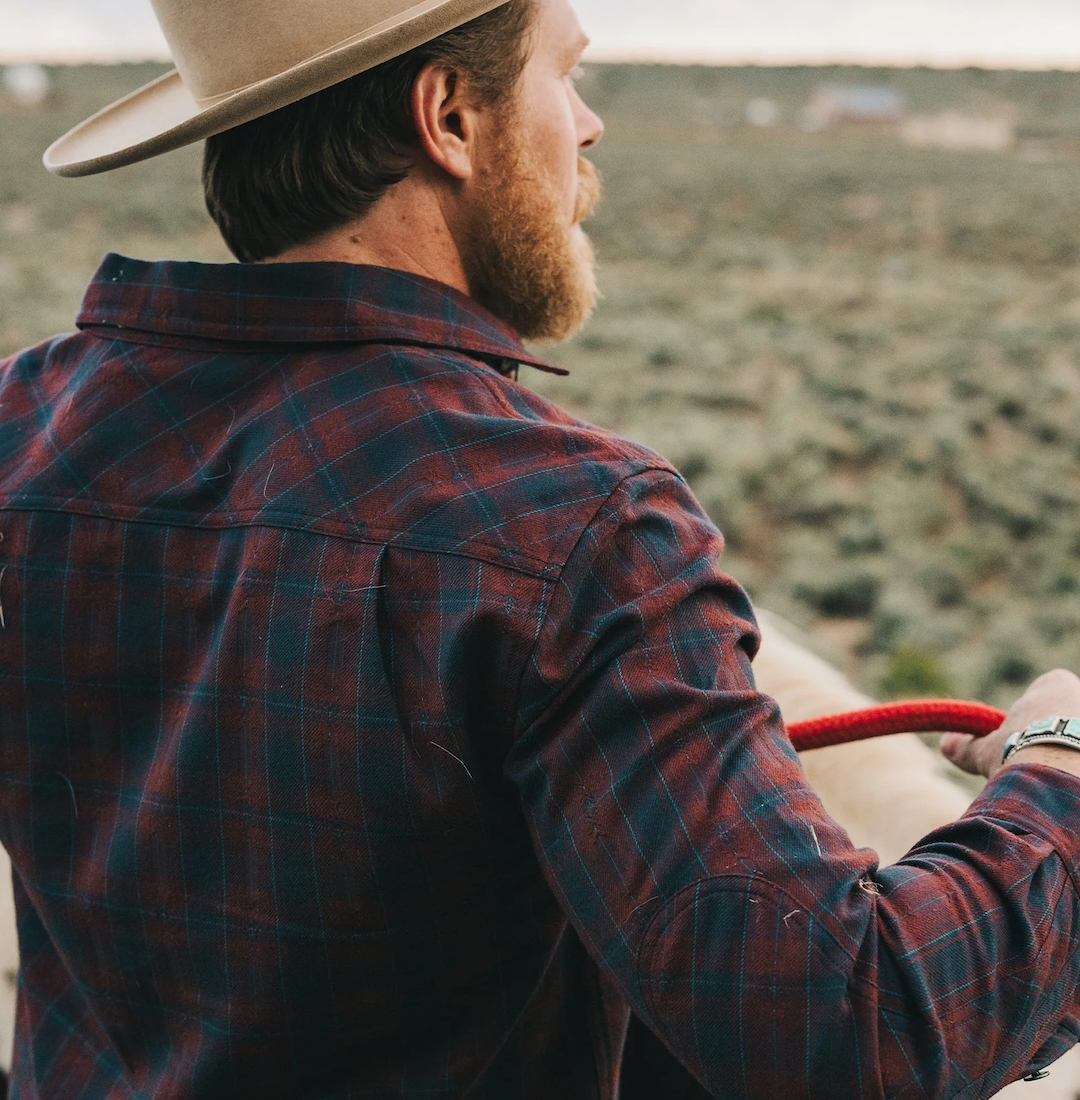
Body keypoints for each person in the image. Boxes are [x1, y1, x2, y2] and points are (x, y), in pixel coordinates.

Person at [3, 0, 1080, 1096]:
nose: (592, 124)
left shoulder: (24, 429)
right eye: (564, 76)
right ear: (452, 116)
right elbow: (852, 1030)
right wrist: (1058, 769)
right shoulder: (570, 523)